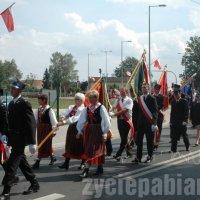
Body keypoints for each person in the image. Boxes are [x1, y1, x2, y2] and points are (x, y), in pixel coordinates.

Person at [1, 81, 39, 200]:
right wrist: (6, 138)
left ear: (19, 91)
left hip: (21, 138)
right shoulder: (11, 103)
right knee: (22, 163)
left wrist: (33, 142)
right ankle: (34, 183)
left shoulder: (24, 103)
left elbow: (31, 123)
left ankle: (6, 191)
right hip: (13, 137)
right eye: (11, 88)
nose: (11, 90)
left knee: (12, 165)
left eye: (14, 88)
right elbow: (9, 123)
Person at [76, 90, 111, 178]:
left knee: (96, 150)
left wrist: (105, 132)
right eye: (89, 98)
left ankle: (91, 169)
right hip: (89, 131)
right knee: (89, 149)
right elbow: (81, 120)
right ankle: (96, 168)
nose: (89, 100)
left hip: (98, 130)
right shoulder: (87, 108)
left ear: (96, 98)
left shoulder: (101, 108)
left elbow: (106, 120)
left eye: (91, 98)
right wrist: (79, 131)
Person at [58, 93, 85, 170]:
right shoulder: (72, 107)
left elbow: (74, 118)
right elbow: (65, 114)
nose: (77, 101)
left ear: (82, 101)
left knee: (80, 146)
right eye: (76, 99)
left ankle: (83, 163)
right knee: (69, 145)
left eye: (79, 100)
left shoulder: (83, 109)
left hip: (79, 129)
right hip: (71, 128)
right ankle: (66, 163)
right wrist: (62, 117)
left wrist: (63, 122)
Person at [132, 83, 158, 164]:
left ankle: (150, 156)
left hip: (149, 123)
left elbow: (155, 111)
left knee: (149, 142)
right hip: (140, 124)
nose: (143, 89)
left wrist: (154, 123)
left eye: (145, 88)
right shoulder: (139, 99)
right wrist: (135, 124)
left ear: (148, 89)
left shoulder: (152, 98)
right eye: (142, 87)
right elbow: (136, 112)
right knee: (139, 141)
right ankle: (138, 157)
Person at [32, 94, 58, 170]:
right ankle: (52, 157)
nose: (38, 101)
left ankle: (37, 161)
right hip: (40, 129)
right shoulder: (39, 109)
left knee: (44, 144)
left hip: (47, 129)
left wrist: (54, 131)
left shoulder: (49, 110)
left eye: (39, 100)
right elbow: (36, 119)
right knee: (43, 144)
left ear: (44, 100)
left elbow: (54, 121)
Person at [112, 88, 134, 160]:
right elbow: (114, 107)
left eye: (123, 92)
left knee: (124, 138)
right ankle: (129, 153)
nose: (121, 93)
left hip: (126, 120)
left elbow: (125, 110)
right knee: (123, 138)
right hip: (120, 120)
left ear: (126, 92)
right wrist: (110, 111)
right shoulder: (118, 99)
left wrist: (115, 114)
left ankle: (118, 154)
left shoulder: (129, 100)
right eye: (121, 91)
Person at [170, 84, 190, 153]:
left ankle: (187, 146)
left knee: (184, 135)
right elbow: (172, 113)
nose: (175, 95)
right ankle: (173, 149)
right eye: (174, 94)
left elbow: (186, 112)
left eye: (177, 94)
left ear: (180, 94)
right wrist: (171, 121)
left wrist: (185, 120)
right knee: (174, 136)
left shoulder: (184, 101)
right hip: (175, 122)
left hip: (182, 121)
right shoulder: (173, 102)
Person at [153, 84, 164, 149]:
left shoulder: (161, 97)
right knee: (153, 129)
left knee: (159, 129)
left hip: (159, 115)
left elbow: (161, 106)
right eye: (155, 89)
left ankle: (156, 143)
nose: (156, 90)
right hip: (153, 116)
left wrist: (154, 108)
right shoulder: (151, 96)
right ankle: (153, 142)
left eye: (157, 89)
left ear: (159, 90)